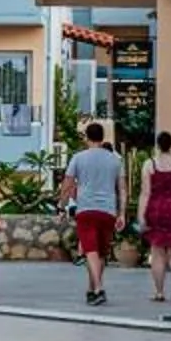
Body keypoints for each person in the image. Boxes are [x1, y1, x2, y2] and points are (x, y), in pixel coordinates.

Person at [60, 121, 126, 307]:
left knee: (90, 250)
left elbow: (68, 184)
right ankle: (91, 290)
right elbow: (122, 188)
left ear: (87, 138)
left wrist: (61, 205)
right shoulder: (115, 160)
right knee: (101, 253)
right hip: (107, 210)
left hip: (86, 209)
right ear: (102, 137)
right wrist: (122, 213)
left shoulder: (78, 158)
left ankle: (99, 288)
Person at [138, 131, 171, 304]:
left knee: (158, 252)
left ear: (158, 145)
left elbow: (145, 193)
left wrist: (141, 216)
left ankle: (159, 292)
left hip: (157, 212)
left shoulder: (150, 164)